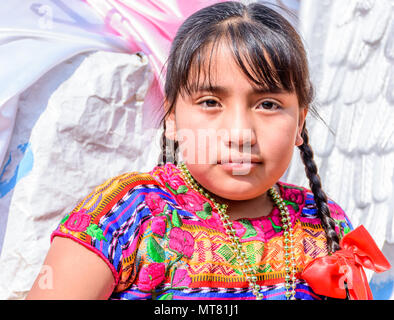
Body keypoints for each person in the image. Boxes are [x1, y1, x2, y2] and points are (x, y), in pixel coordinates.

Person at [26, 1, 381, 300]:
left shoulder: (321, 221)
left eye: (269, 104)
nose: (240, 133)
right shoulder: (125, 216)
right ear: (172, 118)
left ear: (300, 122)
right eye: (210, 102)